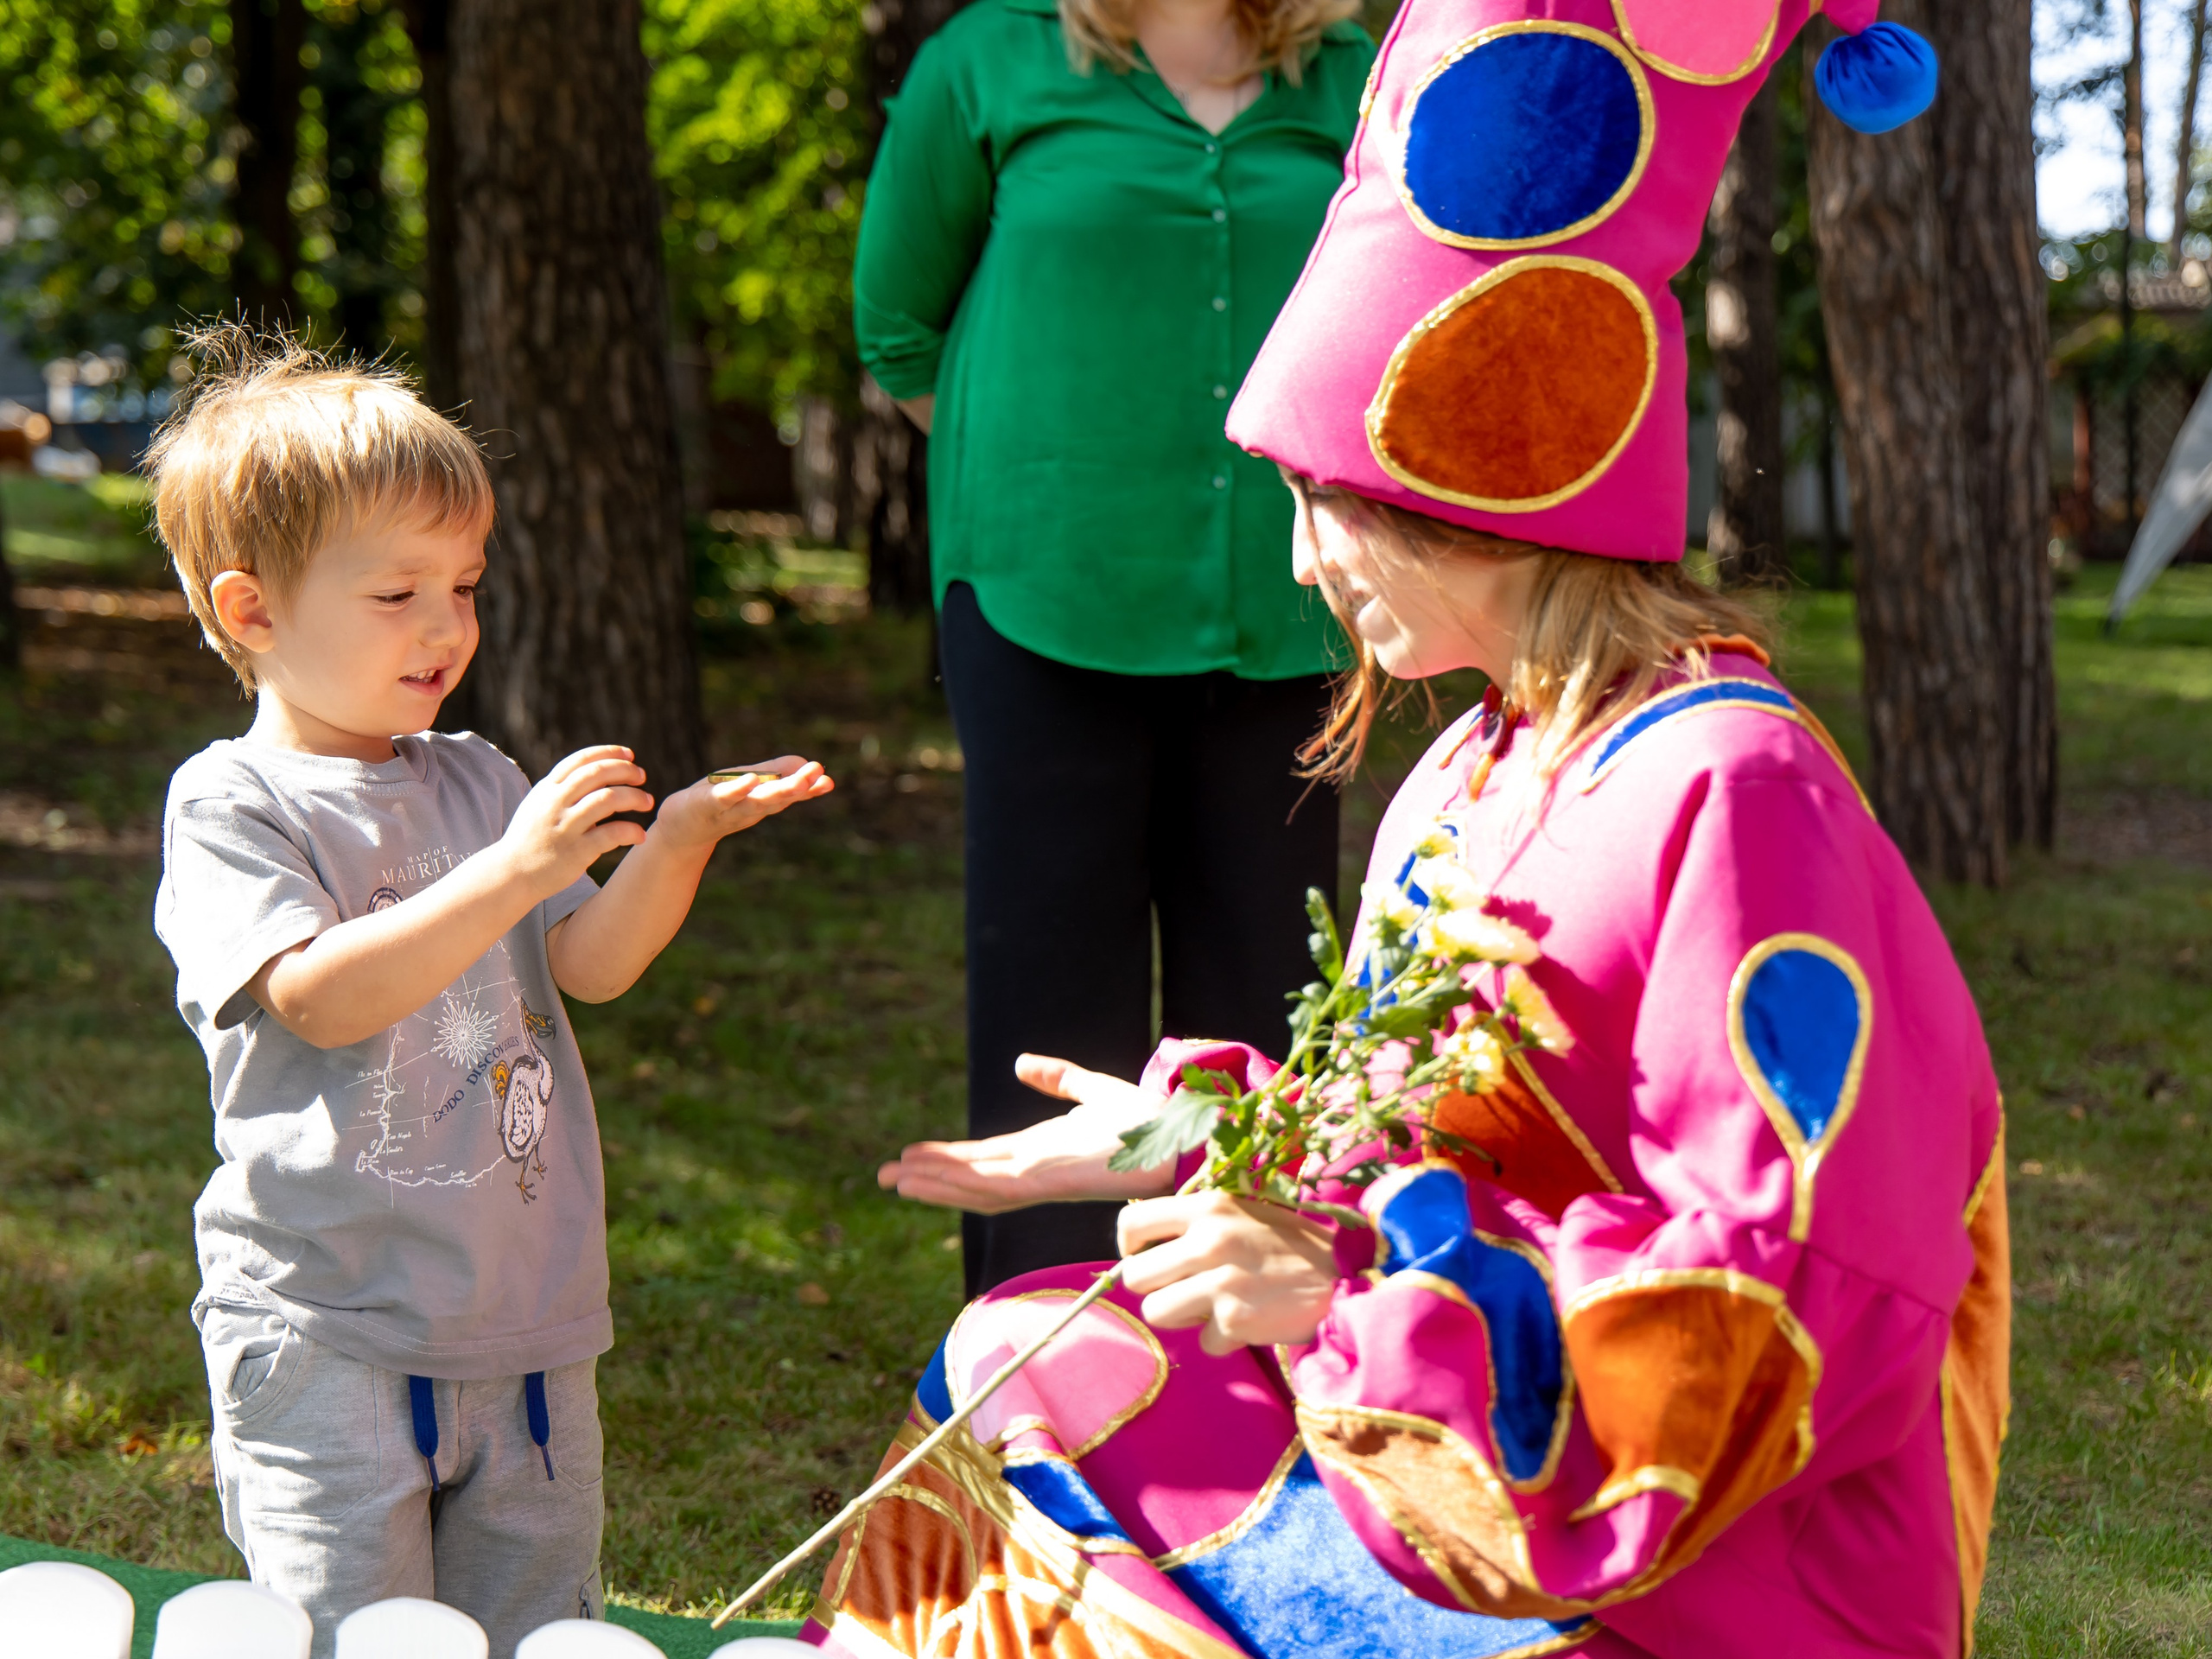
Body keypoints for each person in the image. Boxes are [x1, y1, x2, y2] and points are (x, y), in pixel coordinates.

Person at [836, 4, 2001, 1657]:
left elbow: (1796, 1295)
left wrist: (1349, 1302)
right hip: (1454, 1464)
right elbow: (1426, 1134)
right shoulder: (1473, 770)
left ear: (1484, 493)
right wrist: (1196, 1146)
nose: (1303, 561)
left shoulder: (1732, 794)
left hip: (1680, 1580)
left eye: (1324, 502)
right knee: (1031, 1350)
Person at [147, 330, 833, 1657]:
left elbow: (588, 966)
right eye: (397, 591)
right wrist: (515, 869)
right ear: (253, 611)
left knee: (531, 1631)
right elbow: (321, 998)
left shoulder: (476, 775)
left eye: (462, 584)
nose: (448, 625)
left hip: (525, 1325)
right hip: (330, 1332)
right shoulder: (233, 802)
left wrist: (674, 840)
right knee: (352, 1637)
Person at [852, 0, 1376, 1296]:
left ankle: (1251, 1369)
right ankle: (1048, 1386)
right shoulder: (993, 59)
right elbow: (898, 329)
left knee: (1268, 1005)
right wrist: (1059, 477)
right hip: (1043, 608)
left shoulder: (1363, 77)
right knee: (1049, 1016)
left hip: (1289, 609)